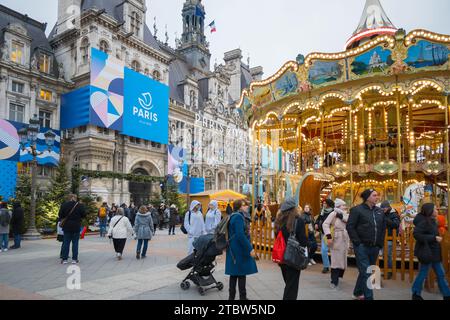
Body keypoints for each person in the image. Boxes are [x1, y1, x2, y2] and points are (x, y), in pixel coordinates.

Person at [346, 189, 386, 300]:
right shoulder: (356, 210)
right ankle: (369, 297)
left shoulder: (379, 211)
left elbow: (383, 228)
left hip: (375, 247)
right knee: (367, 272)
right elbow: (350, 226)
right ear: (367, 197)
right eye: (374, 195)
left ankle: (357, 292)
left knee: (366, 271)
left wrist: (379, 244)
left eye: (377, 195)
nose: (377, 197)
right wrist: (357, 242)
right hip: (362, 246)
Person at [411, 203, 450, 300]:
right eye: (435, 209)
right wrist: (433, 238)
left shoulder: (432, 221)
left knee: (440, 274)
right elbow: (416, 234)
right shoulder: (424, 222)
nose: (437, 211)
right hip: (427, 253)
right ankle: (416, 293)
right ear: (430, 211)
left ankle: (446, 294)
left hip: (434, 253)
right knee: (424, 273)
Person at [274, 198, 308, 300]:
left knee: (288, 284)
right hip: (293, 258)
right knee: (291, 287)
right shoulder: (298, 221)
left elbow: (277, 238)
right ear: (294, 209)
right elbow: (303, 241)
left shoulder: (278, 221)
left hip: (282, 258)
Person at [226, 199, 258, 300]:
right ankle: (242, 298)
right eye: (244, 205)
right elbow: (240, 235)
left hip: (235, 248)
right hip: (238, 249)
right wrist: (250, 248)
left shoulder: (234, 215)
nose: (247, 206)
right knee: (240, 273)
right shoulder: (238, 217)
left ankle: (233, 297)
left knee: (235, 274)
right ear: (239, 206)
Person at [322, 198, 350, 289]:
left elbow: (349, 222)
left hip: (344, 238)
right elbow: (325, 224)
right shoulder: (333, 213)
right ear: (338, 206)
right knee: (335, 259)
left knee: (342, 258)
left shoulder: (344, 214)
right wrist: (329, 236)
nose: (345, 207)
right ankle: (334, 281)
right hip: (336, 238)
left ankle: (338, 276)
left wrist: (341, 216)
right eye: (343, 205)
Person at [59, 194, 86, 264]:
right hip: (76, 226)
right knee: (75, 243)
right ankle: (74, 259)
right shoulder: (80, 205)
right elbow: (84, 215)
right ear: (75, 198)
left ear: (69, 198)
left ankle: (64, 259)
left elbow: (60, 215)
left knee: (66, 243)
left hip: (67, 226)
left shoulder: (64, 205)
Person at [380, 200, 400, 279]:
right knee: (385, 255)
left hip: (390, 238)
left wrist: (385, 219)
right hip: (383, 237)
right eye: (382, 208)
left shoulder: (394, 214)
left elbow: (395, 225)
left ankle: (390, 271)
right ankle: (386, 269)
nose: (382, 210)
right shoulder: (383, 214)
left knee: (388, 255)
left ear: (388, 207)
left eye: (384, 208)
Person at [315, 199, 335, 273]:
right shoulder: (322, 211)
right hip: (324, 233)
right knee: (323, 250)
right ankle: (326, 266)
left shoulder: (333, 211)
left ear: (329, 204)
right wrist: (316, 223)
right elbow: (318, 219)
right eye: (323, 203)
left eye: (325, 203)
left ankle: (335, 267)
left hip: (333, 233)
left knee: (334, 251)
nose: (324, 204)